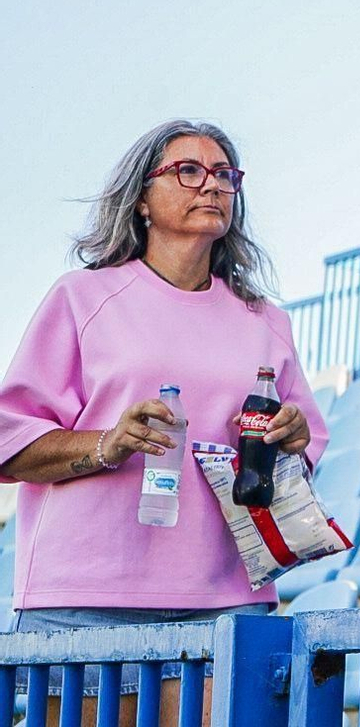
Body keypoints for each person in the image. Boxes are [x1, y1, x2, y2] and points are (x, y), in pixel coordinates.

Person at [0, 119, 328, 727]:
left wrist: (294, 438)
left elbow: (304, 449)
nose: (212, 185)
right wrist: (109, 443)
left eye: (225, 174)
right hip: (87, 599)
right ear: (143, 200)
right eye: (188, 171)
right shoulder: (82, 297)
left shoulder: (265, 320)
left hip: (225, 600)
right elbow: (8, 442)